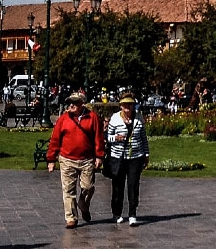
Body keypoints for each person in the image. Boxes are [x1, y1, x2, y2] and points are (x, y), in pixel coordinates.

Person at [46, 92, 105, 229]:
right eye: (70, 102)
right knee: (68, 190)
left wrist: (99, 156)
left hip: (87, 159)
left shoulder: (92, 117)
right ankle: (71, 217)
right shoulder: (63, 119)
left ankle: (83, 204)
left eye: (75, 102)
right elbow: (55, 139)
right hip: (67, 159)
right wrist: (51, 159)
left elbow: (98, 137)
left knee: (88, 187)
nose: (71, 105)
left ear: (82, 104)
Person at [106, 93, 150, 226]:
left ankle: (132, 214)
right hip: (118, 157)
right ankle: (116, 213)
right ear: (121, 106)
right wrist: (116, 138)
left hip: (136, 157)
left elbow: (143, 137)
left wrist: (146, 154)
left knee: (133, 185)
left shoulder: (138, 118)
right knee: (118, 186)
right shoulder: (115, 118)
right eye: (125, 105)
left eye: (130, 104)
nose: (128, 107)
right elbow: (107, 137)